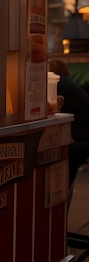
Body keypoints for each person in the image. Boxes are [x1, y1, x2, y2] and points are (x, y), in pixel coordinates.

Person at [49, 59, 89, 188]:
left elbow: (51, 108)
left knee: (63, 180)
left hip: (79, 138)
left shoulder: (57, 84)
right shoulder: (67, 83)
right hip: (83, 136)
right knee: (67, 179)